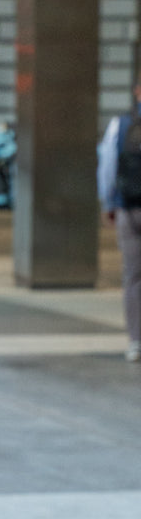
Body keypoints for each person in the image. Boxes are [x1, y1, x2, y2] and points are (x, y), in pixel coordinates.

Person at [98, 78, 141, 363]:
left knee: (133, 275)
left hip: (128, 208)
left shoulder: (121, 125)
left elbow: (108, 166)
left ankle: (136, 341)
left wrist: (109, 202)